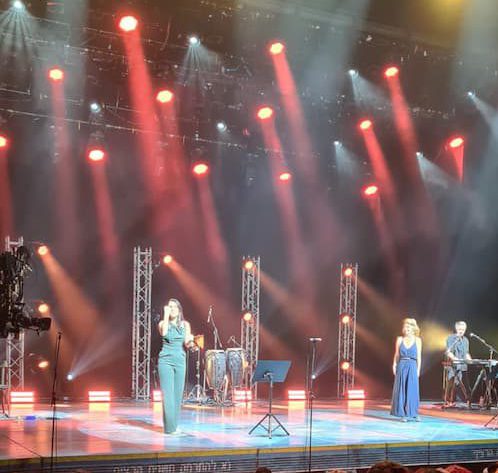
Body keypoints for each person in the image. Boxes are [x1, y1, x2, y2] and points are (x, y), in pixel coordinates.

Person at [158, 298, 195, 434]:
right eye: (169, 306)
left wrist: (191, 342)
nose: (171, 309)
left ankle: (173, 425)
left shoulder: (185, 325)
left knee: (177, 395)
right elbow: (164, 333)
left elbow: (187, 342)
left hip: (180, 360)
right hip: (165, 360)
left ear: (179, 310)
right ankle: (170, 429)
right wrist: (166, 314)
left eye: (174, 307)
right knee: (168, 395)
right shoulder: (163, 323)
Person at [391, 318, 422, 421]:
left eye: (409, 327)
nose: (407, 329)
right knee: (402, 389)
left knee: (412, 389)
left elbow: (419, 356)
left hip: (412, 365)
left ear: (413, 329)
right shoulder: (400, 339)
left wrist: (418, 369)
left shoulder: (417, 340)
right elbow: (397, 354)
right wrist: (394, 365)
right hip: (402, 364)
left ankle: (413, 413)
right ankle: (403, 414)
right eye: (406, 327)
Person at [444, 321, 472, 407]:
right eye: (459, 329)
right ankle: (448, 400)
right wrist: (454, 358)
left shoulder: (466, 340)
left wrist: (469, 359)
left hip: (463, 365)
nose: (461, 331)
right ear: (456, 329)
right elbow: (448, 352)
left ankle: (468, 400)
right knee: (451, 382)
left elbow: (466, 353)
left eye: (463, 330)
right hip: (453, 364)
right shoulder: (451, 338)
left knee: (464, 383)